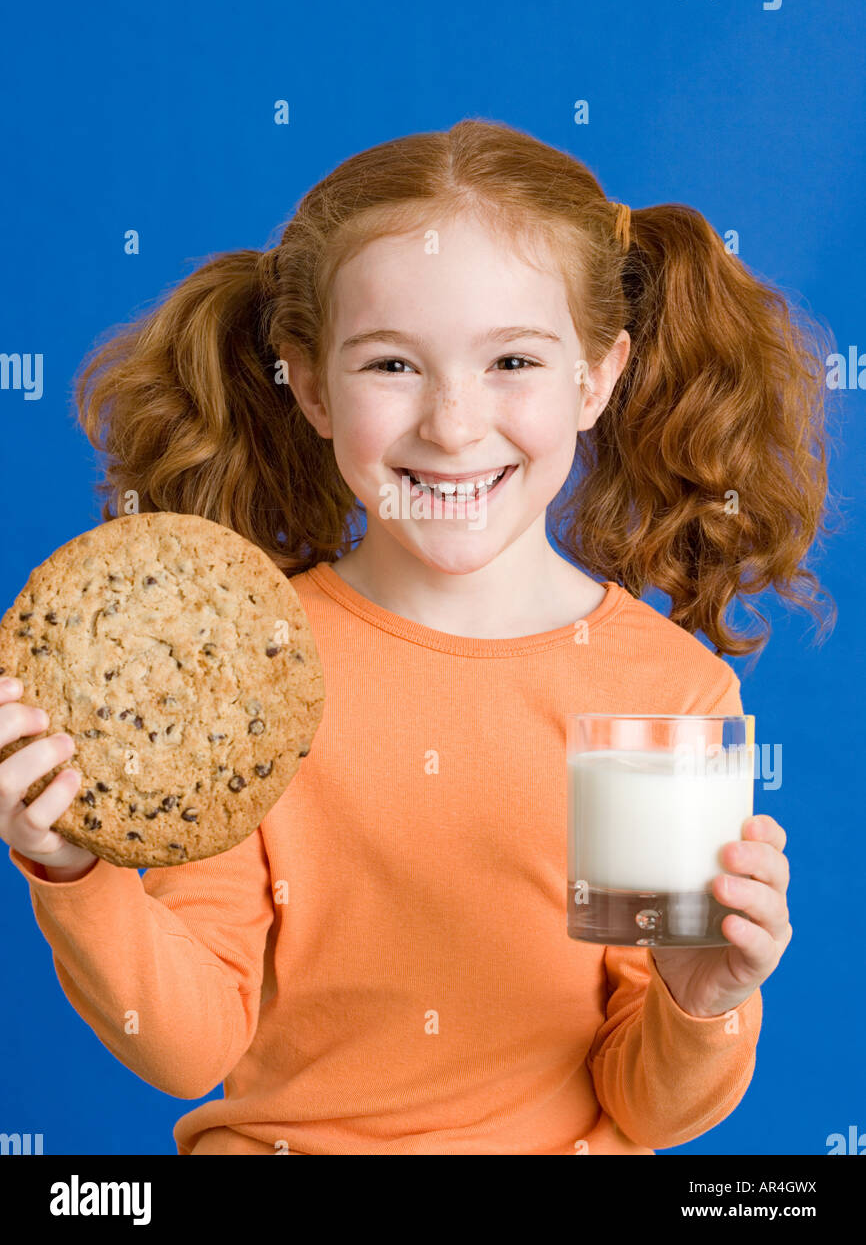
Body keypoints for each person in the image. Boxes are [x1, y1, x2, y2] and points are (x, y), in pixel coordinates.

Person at [1, 118, 835, 1154]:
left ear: (595, 376)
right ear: (308, 386)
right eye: (392, 364)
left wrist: (697, 994)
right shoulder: (248, 671)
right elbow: (189, 1048)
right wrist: (69, 868)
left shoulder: (664, 692)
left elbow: (647, 1108)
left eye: (512, 361)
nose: (451, 422)